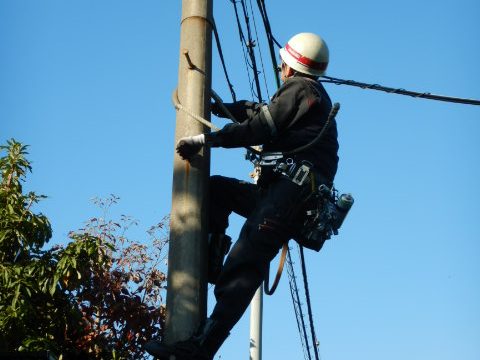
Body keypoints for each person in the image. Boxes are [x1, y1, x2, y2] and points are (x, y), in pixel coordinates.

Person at [145, 32, 339, 360]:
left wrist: (205, 140)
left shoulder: (301, 90)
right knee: (216, 190)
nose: (280, 68)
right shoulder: (307, 95)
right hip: (281, 198)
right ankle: (210, 266)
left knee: (245, 265)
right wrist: (218, 108)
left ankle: (198, 349)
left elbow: (260, 126)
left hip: (287, 199)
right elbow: (258, 111)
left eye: (283, 63)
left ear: (290, 66)